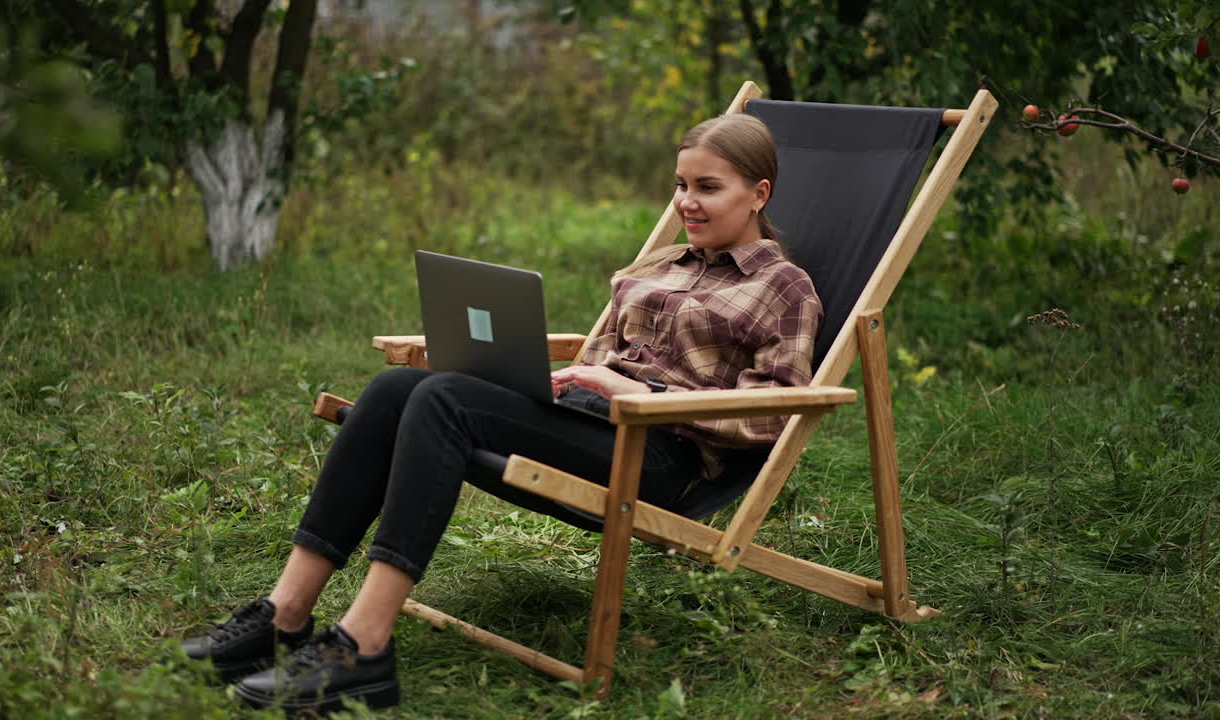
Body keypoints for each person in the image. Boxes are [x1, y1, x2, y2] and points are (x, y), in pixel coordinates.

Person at [180, 113, 822, 713]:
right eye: (680, 185)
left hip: (657, 454)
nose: (686, 202)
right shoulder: (658, 267)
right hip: (587, 419)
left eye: (707, 187)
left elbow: (774, 416)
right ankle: (284, 615)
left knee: (441, 399)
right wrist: (526, 374)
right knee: (395, 389)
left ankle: (364, 645)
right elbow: (596, 361)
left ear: (758, 193)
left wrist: (634, 394)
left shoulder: (783, 287)